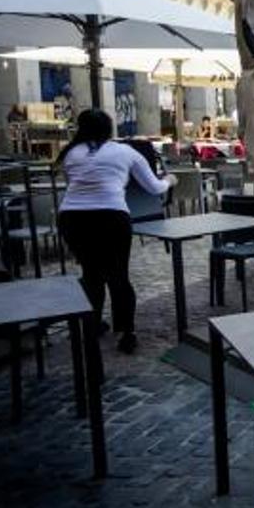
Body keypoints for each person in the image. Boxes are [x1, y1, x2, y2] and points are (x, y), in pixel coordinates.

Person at [57, 109, 175, 353]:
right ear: (109, 129)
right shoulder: (125, 151)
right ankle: (127, 333)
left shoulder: (70, 153)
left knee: (91, 274)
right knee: (118, 274)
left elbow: (75, 185)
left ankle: (92, 324)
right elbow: (154, 188)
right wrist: (170, 180)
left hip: (73, 218)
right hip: (111, 216)